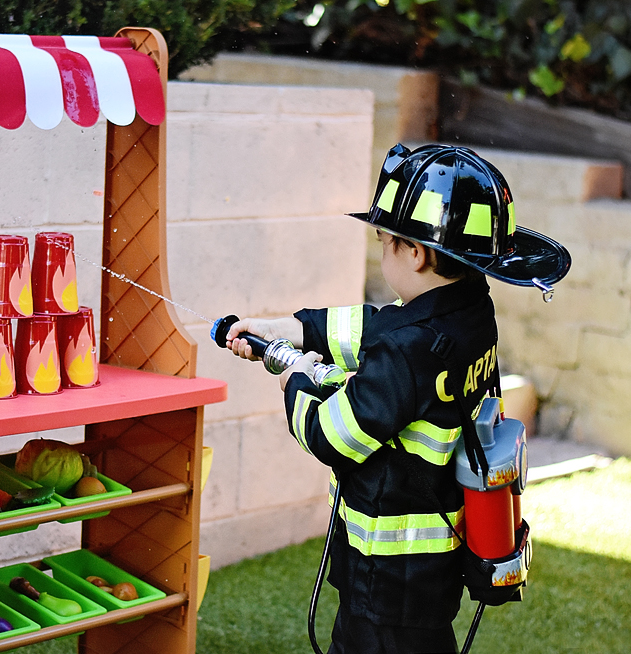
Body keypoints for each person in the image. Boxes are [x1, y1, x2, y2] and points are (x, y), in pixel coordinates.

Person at [224, 144, 570, 654]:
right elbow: (380, 325)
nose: (383, 250)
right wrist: (291, 329)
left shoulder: (409, 353)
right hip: (433, 570)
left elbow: (332, 437)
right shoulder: (470, 314)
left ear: (416, 251)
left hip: (383, 579)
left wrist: (295, 380)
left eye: (386, 240)